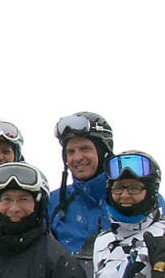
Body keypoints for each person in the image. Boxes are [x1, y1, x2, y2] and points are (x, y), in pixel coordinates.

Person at [46, 111, 117, 259]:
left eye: (85, 149)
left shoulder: (133, 198)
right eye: (70, 152)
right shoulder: (53, 202)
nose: (77, 158)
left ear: (103, 151)